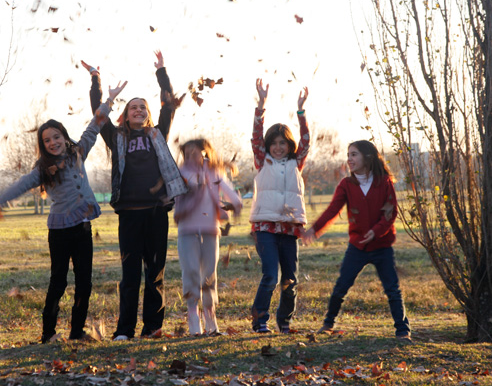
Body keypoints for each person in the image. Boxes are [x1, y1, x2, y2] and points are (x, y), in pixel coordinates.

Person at [0, 80, 128, 343]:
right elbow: (22, 184)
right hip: (60, 232)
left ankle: (76, 331)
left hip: (83, 227)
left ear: (64, 136)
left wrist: (109, 101)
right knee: (58, 282)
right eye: (47, 140)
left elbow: (95, 125)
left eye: (56, 137)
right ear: (43, 145)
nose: (53, 143)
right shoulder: (43, 168)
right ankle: (48, 333)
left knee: (85, 283)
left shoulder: (78, 151)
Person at [82, 51, 188, 341]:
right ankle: (125, 330)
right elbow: (98, 114)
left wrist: (162, 72)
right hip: (129, 214)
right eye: (133, 108)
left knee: (155, 274)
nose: (139, 110)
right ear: (125, 115)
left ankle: (153, 327)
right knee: (130, 276)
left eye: (143, 107)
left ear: (148, 114)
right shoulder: (117, 138)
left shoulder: (157, 134)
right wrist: (97, 82)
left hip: (156, 213)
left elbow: (168, 103)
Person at [301, 140, 411, 341]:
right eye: (348, 154)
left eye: (354, 154)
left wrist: (376, 232)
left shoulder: (384, 183)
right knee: (342, 285)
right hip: (357, 247)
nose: (349, 159)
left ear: (367, 157)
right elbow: (332, 210)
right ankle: (328, 323)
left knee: (392, 289)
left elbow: (390, 212)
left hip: (382, 246)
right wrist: (314, 230)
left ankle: (402, 331)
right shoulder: (346, 185)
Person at [248, 79, 310, 334]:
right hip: (265, 226)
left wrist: (301, 112)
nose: (278, 147)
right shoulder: (263, 161)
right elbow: (255, 137)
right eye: (273, 143)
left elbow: (306, 140)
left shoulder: (297, 162)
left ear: (289, 146)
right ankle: (259, 321)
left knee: (290, 280)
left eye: (282, 143)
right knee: (270, 277)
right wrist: (260, 106)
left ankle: (284, 321)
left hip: (290, 228)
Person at [174, 139, 242, 336]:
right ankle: (193, 317)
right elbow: (183, 189)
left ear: (205, 153)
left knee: (209, 275)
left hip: (211, 230)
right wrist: (197, 182)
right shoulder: (181, 174)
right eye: (187, 154)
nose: (191, 157)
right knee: (191, 272)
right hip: (187, 230)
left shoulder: (214, 173)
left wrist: (236, 203)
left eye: (195, 153)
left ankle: (210, 318)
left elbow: (228, 191)